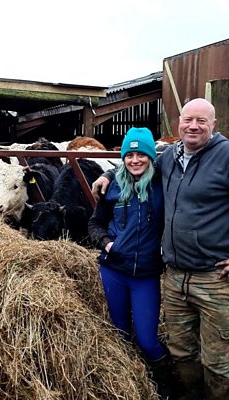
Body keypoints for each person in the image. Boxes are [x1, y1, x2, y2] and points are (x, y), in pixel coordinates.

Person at [92, 98, 229, 400]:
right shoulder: (170, 158)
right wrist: (107, 174)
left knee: (217, 360)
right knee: (182, 351)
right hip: (174, 275)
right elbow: (134, 159)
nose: (193, 126)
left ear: (214, 124)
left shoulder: (224, 155)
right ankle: (185, 394)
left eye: (201, 121)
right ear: (179, 123)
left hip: (213, 278)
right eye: (188, 120)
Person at [88, 127, 173, 399]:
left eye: (141, 154)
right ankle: (129, 386)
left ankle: (166, 384)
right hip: (113, 270)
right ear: (123, 158)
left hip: (146, 275)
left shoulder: (162, 184)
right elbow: (95, 223)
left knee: (148, 340)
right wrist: (107, 244)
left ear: (151, 157)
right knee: (120, 333)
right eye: (129, 155)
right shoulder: (112, 187)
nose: (135, 160)